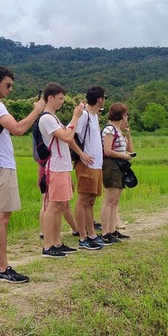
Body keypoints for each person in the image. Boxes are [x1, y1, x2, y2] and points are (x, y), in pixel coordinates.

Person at [0, 66, 45, 284]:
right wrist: (37, 110)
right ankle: (3, 268)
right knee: (3, 215)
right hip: (2, 166)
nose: (10, 90)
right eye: (7, 85)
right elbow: (18, 129)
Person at [38, 83, 90, 258]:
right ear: (50, 97)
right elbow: (68, 136)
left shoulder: (53, 118)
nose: (62, 102)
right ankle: (48, 245)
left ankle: (56, 242)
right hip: (56, 167)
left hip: (62, 167)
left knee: (60, 206)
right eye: (60, 98)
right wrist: (76, 117)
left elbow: (66, 138)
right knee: (53, 206)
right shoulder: (46, 118)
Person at [74, 86, 108, 250]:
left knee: (91, 200)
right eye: (104, 98)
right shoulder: (84, 115)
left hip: (96, 165)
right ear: (100, 99)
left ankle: (92, 234)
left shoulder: (94, 116)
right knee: (83, 200)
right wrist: (82, 154)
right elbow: (70, 135)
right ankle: (82, 237)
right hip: (86, 164)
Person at [100, 102, 134, 244]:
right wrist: (123, 156)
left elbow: (129, 149)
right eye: (126, 115)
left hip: (118, 166)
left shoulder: (117, 130)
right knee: (109, 200)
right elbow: (107, 151)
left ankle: (112, 229)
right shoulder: (109, 130)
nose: (127, 118)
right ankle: (105, 232)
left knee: (115, 200)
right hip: (111, 165)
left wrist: (128, 134)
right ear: (121, 115)